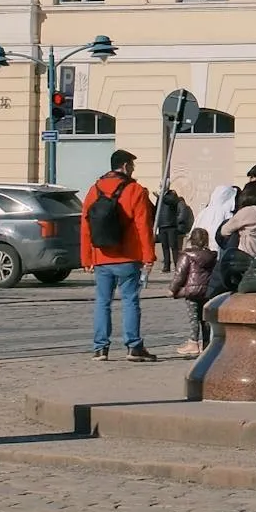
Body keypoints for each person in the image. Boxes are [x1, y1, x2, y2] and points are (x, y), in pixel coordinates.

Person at [81, 148, 158, 362]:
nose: (133, 170)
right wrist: (148, 256)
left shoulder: (94, 190)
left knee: (102, 302)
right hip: (128, 256)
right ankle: (133, 346)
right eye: (132, 166)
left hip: (101, 255)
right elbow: (143, 226)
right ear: (125, 166)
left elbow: (86, 226)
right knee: (130, 301)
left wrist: (86, 257)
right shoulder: (135, 190)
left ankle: (100, 348)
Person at [169, 227, 216, 358]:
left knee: (193, 317)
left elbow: (180, 274)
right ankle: (207, 343)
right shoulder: (211, 256)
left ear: (191, 240)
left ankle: (193, 343)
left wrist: (172, 289)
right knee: (205, 319)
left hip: (191, 291)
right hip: (207, 291)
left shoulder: (186, 255)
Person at [152, 188, 192, 274]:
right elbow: (157, 210)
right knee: (164, 246)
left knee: (173, 246)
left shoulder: (172, 195)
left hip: (171, 225)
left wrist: (160, 196)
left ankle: (177, 265)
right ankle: (166, 266)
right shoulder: (160, 198)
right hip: (162, 225)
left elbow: (171, 202)